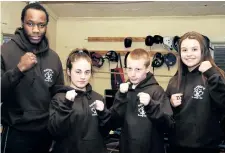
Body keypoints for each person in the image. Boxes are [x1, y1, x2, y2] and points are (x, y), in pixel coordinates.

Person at [1, 2, 64, 153]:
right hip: (16, 132)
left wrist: (56, 129)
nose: (36, 30)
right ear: (23, 23)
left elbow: (57, 93)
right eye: (30, 24)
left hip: (45, 133)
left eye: (41, 25)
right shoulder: (5, 52)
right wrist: (19, 69)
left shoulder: (53, 57)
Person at [102, 48, 174, 153]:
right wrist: (120, 97)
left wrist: (151, 105)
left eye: (138, 69)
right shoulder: (124, 91)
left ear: (147, 68)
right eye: (129, 68)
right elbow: (113, 123)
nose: (132, 74)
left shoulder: (156, 91)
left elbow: (168, 126)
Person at [166, 31, 225, 153]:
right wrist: (170, 103)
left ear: (203, 51)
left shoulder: (214, 75)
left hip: (206, 147)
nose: (189, 54)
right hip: (177, 146)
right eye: (185, 50)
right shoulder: (174, 80)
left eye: (194, 49)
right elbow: (164, 111)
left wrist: (211, 73)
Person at [48, 49, 109, 153]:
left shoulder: (97, 98)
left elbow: (106, 132)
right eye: (78, 71)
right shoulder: (59, 98)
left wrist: (103, 113)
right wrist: (66, 105)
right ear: (68, 71)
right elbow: (55, 131)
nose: (83, 77)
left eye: (87, 72)